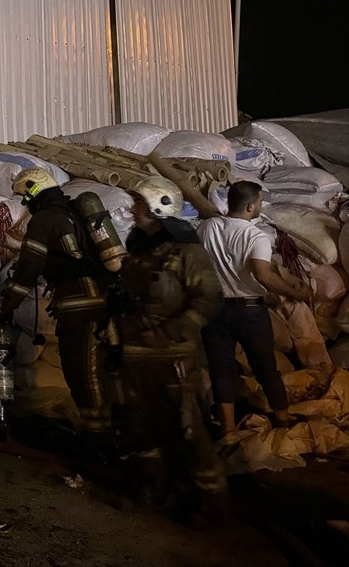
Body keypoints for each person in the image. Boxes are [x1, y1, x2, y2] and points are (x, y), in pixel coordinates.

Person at [112, 176, 228, 527]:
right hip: (134, 359)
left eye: (139, 205)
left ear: (157, 209)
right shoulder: (138, 255)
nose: (133, 211)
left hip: (171, 358)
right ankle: (154, 487)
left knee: (187, 430)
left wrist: (168, 333)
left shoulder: (186, 254)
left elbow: (208, 300)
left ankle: (209, 502)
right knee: (139, 427)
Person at [0, 167, 114, 446]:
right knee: (98, 367)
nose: (25, 204)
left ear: (34, 191)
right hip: (104, 299)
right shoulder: (75, 211)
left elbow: (28, 268)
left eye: (25, 198)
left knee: (82, 370)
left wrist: (7, 306)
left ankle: (98, 438)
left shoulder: (45, 219)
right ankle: (106, 428)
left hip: (79, 306)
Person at [199, 180, 308, 438]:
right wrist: (293, 292)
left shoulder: (208, 227)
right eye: (259, 202)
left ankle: (227, 427)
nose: (259, 205)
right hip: (249, 312)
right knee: (265, 367)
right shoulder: (256, 235)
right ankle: (282, 419)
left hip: (214, 310)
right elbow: (262, 273)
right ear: (250, 206)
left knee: (221, 368)